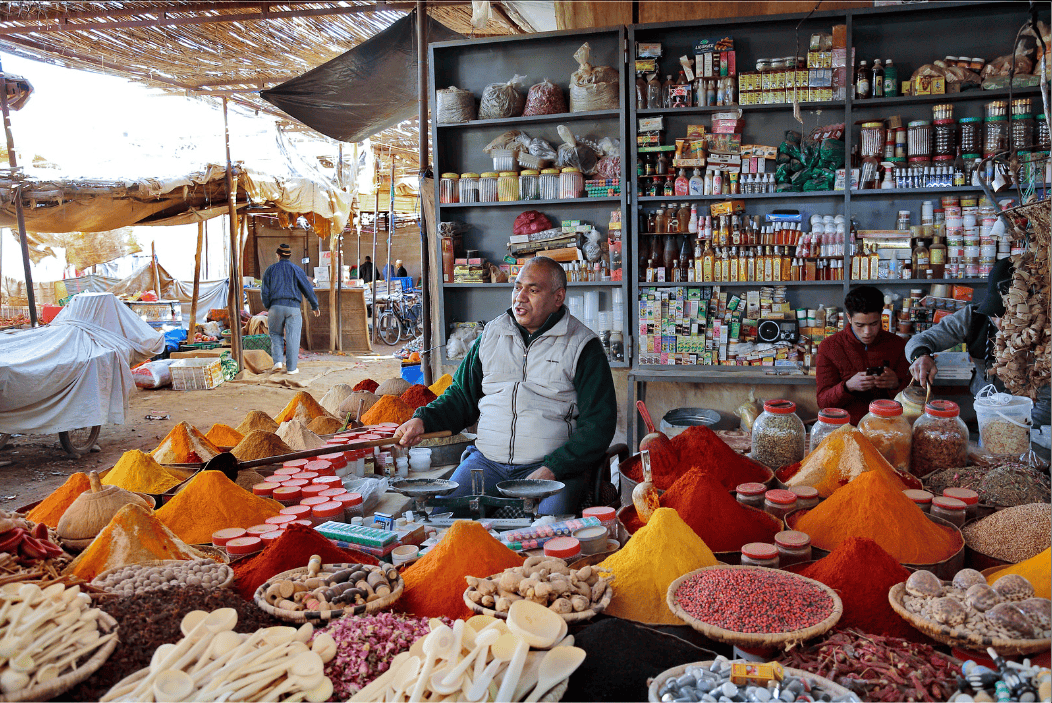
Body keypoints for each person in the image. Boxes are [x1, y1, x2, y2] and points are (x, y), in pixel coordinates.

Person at [396, 256, 617, 515]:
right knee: (444, 517)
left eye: (533, 290)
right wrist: (423, 420)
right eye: (517, 287)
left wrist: (555, 467)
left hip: (550, 466)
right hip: (487, 462)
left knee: (551, 526)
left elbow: (598, 426)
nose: (520, 297)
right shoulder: (491, 334)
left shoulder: (583, 346)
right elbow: (460, 397)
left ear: (558, 298)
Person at [906, 258, 1051, 427]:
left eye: (1008, 314)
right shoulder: (974, 317)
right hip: (985, 410)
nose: (999, 322)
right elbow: (920, 339)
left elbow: (1047, 402)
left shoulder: (1045, 330)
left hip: (1037, 418)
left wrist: (1020, 433)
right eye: (994, 313)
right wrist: (921, 355)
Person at [815, 285, 911, 424]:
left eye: (874, 324)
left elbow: (913, 398)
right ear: (849, 317)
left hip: (887, 426)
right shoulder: (829, 347)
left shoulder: (898, 344)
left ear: (881, 314)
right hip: (846, 427)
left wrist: (895, 384)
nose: (867, 332)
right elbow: (823, 402)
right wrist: (847, 387)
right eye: (860, 325)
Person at [261, 243, 319, 375]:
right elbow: (307, 289)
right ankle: (292, 368)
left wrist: (269, 305)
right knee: (293, 336)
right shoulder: (297, 269)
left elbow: (264, 291)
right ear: (289, 256)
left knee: (276, 334)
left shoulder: (270, 270)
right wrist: (314, 305)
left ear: (278, 255)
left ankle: (277, 362)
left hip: (275, 307)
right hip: (293, 308)